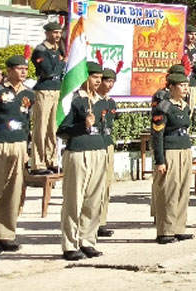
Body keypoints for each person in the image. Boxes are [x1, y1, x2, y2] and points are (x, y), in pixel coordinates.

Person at [57, 60, 113, 260]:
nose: (98, 81)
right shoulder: (73, 100)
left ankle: (88, 240)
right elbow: (61, 130)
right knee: (74, 200)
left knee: (93, 200)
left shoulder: (102, 101)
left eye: (100, 77)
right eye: (94, 77)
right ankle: (70, 245)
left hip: (98, 151)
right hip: (78, 153)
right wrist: (82, 126)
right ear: (84, 78)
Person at [0, 55, 34, 255]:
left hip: (19, 144)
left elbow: (28, 123)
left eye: (25, 69)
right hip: (0, 144)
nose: (23, 72)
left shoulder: (29, 94)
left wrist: (28, 150)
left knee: (14, 191)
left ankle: (7, 234)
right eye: (19, 69)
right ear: (9, 70)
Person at [151, 71, 194, 244]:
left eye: (186, 85)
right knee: (169, 190)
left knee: (183, 190)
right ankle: (165, 231)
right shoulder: (164, 107)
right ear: (171, 87)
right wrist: (160, 160)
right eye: (182, 85)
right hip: (170, 150)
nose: (185, 88)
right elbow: (157, 135)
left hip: (184, 149)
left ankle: (179, 227)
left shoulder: (184, 105)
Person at [29, 21, 66, 174]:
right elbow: (48, 72)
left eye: (59, 32)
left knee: (53, 128)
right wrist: (62, 63)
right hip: (44, 90)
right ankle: (38, 163)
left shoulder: (58, 50)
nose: (57, 36)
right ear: (47, 33)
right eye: (54, 32)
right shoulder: (41, 50)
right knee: (41, 127)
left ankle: (51, 160)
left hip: (56, 90)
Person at [96, 67, 119, 238]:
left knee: (106, 184)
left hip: (108, 144)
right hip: (95, 144)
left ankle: (101, 221)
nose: (109, 85)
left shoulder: (111, 103)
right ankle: (91, 221)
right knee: (94, 185)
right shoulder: (93, 101)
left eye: (112, 82)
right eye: (107, 81)